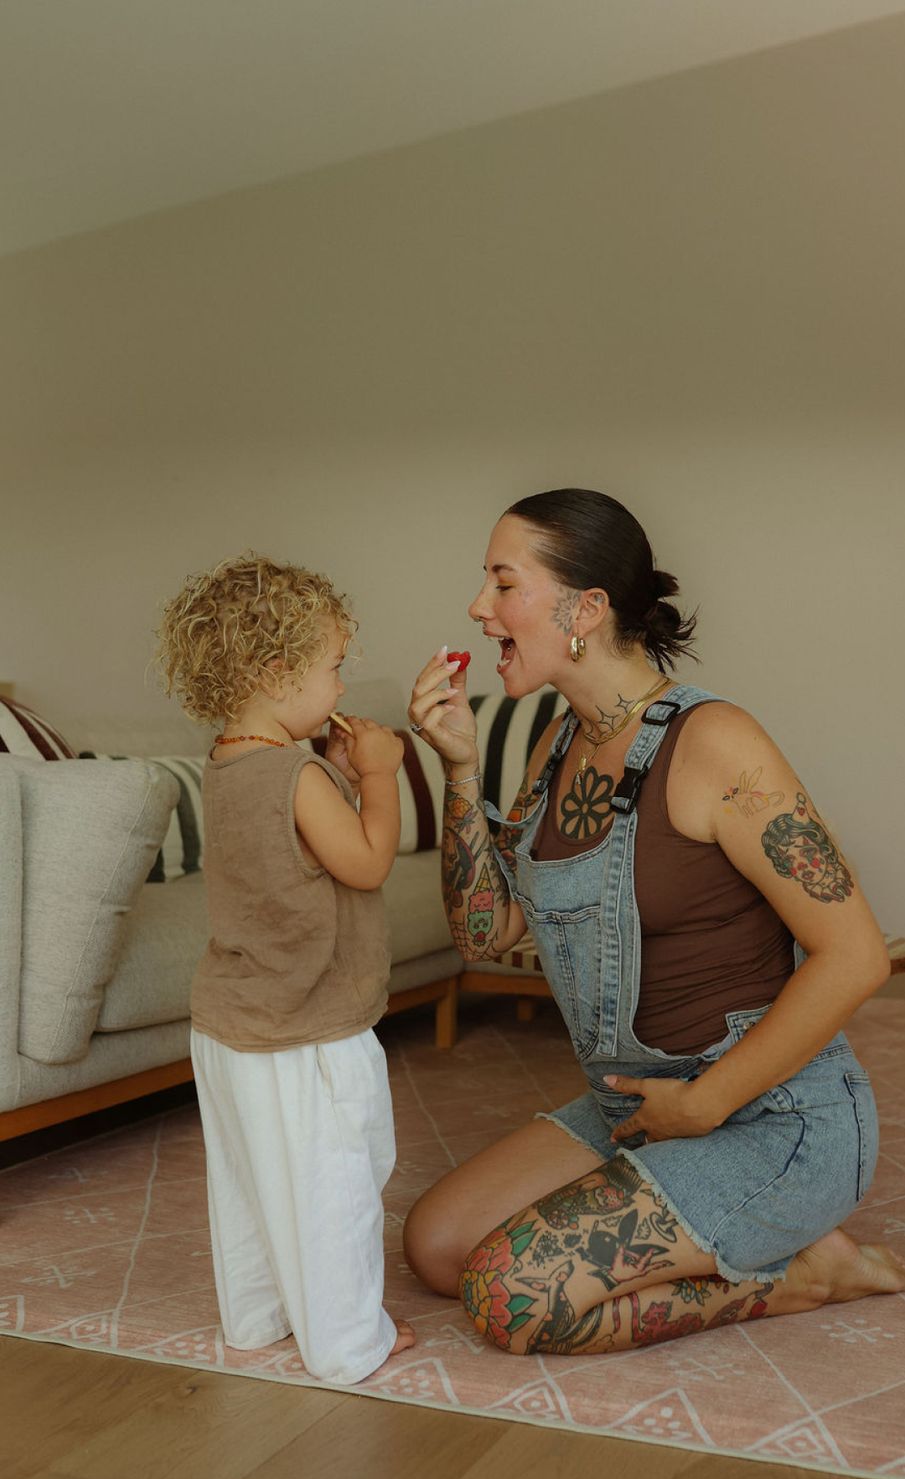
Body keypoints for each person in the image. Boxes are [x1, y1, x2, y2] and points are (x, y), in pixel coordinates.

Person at [403, 488, 903, 1356]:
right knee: (437, 1247)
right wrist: (456, 770)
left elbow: (855, 956)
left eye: (502, 582)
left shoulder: (716, 742)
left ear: (583, 608)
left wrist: (704, 1106)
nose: (479, 609)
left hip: (773, 1119)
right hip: (638, 1103)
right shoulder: (558, 744)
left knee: (507, 1296)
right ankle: (713, 1225)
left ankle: (806, 1275)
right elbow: (489, 936)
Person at [157, 553, 415, 1383]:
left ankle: (258, 1319)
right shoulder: (298, 774)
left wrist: (335, 783)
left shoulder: (227, 763)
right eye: (334, 667)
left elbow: (292, 851)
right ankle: (347, 1343)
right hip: (304, 1027)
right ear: (276, 672)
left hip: (230, 1022)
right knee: (336, 1179)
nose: (342, 688)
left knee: (251, 1178)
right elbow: (369, 861)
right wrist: (377, 776)